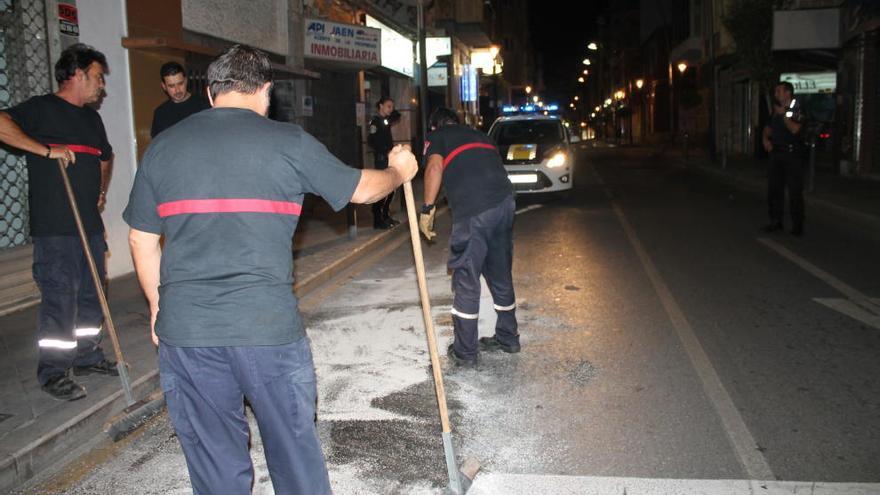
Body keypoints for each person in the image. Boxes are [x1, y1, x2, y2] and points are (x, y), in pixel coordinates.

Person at [124, 45, 416, 494]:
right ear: (266, 91)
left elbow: (140, 239)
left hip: (188, 332)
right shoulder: (289, 143)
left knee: (215, 465)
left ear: (208, 92)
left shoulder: (163, 148)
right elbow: (361, 190)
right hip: (268, 331)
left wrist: (158, 307)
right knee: (294, 454)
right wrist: (398, 172)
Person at [0, 43, 118, 401]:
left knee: (91, 294)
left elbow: (105, 157)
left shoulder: (92, 119)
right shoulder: (41, 110)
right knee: (60, 298)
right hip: (56, 228)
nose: (102, 86)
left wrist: (100, 190)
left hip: (89, 226)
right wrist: (44, 150)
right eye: (98, 78)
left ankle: (87, 356)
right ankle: (53, 371)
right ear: (78, 75)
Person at [418, 107, 519, 368]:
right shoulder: (482, 136)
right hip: (505, 203)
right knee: (500, 273)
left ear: (434, 126)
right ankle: (509, 338)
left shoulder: (438, 136)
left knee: (465, 277)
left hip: (475, 210)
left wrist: (427, 209)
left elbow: (434, 167)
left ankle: (465, 352)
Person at [762, 81, 806, 237]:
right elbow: (768, 127)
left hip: (792, 154)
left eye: (779, 91)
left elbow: (795, 129)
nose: (776, 94)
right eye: (775, 91)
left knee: (794, 191)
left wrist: (784, 115)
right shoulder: (775, 110)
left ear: (788, 93)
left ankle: (797, 225)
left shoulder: (796, 108)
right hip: (776, 153)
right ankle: (775, 221)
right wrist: (765, 139)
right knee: (774, 189)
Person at [150, 61, 210, 138]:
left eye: (180, 83)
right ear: (164, 86)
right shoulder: (160, 113)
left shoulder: (204, 105)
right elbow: (158, 144)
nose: (177, 90)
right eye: (171, 86)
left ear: (186, 81)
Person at [367, 96, 399, 229]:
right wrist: (384, 150)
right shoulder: (375, 122)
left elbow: (397, 115)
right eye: (388, 106)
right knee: (382, 189)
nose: (391, 109)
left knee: (391, 189)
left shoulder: (385, 121)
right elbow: (372, 141)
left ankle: (385, 215)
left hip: (388, 158)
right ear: (381, 106)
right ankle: (377, 218)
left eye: (392, 106)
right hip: (381, 158)